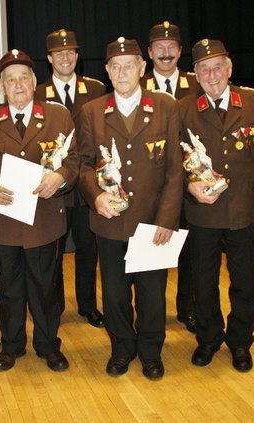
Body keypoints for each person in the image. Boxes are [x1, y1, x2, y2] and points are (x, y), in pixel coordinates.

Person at [78, 37, 183, 380]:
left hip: (153, 222)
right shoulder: (92, 111)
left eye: (129, 65)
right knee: (114, 293)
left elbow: (173, 170)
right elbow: (83, 165)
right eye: (115, 66)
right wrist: (95, 198)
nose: (122, 72)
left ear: (142, 68)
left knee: (153, 295)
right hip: (110, 221)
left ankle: (151, 351)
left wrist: (167, 219)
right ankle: (122, 347)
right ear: (107, 72)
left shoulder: (166, 107)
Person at [0, 49, 78, 372]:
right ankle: (12, 345)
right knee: (9, 289)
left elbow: (75, 159)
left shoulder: (58, 117)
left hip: (44, 219)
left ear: (35, 83)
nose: (17, 85)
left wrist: (60, 178)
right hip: (4, 221)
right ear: (2, 86)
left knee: (45, 287)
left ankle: (48, 345)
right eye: (10, 79)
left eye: (23, 78)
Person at [178, 39, 254, 372]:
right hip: (204, 210)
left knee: (245, 281)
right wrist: (188, 186)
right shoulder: (184, 109)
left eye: (218, 66)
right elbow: (174, 162)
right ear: (196, 75)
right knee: (203, 282)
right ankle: (208, 338)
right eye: (204, 69)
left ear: (230, 68)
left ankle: (240, 341)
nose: (212, 74)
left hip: (243, 210)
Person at [35, 29, 106, 328]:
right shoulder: (37, 94)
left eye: (71, 52)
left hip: (87, 188)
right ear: (49, 58)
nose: (65, 57)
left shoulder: (98, 89)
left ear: (77, 56)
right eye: (59, 53)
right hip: (56, 188)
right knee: (52, 251)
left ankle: (87, 305)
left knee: (88, 249)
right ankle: (55, 306)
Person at [142, 20, 201, 334]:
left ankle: (187, 308)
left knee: (191, 251)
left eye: (172, 48)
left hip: (191, 184)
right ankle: (151, 313)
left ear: (180, 52)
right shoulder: (137, 88)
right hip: (155, 187)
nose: (166, 53)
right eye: (159, 48)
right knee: (154, 248)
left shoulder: (198, 84)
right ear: (150, 53)